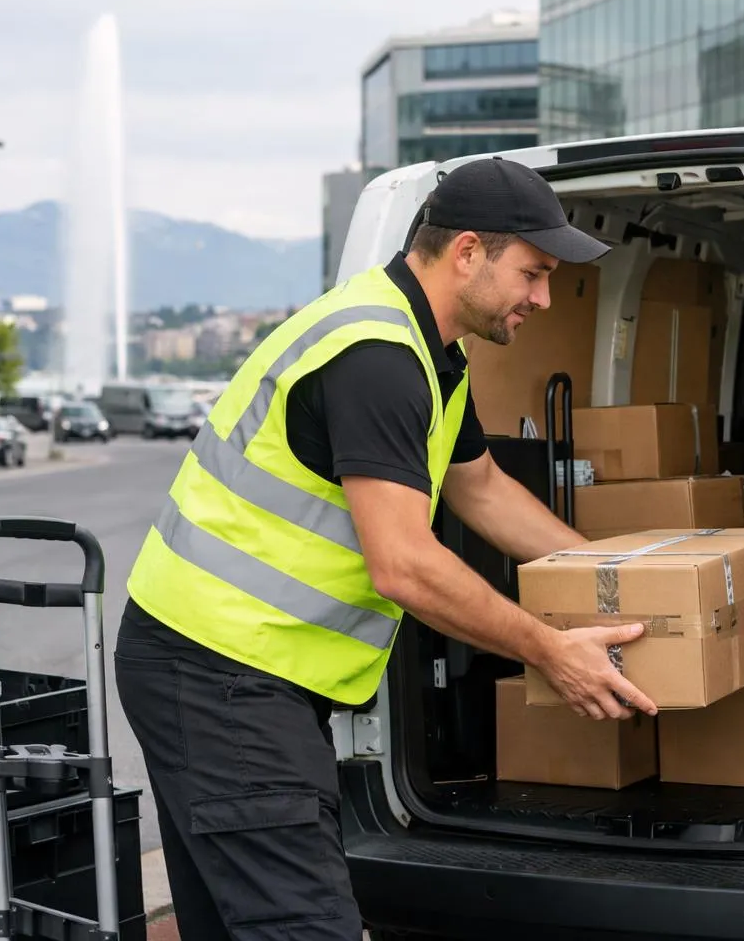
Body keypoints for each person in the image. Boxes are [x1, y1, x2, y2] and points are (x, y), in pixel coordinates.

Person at [114, 156, 660, 940]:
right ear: (467, 252)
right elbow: (403, 563)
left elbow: (482, 491)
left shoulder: (434, 352)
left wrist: (621, 578)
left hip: (234, 668)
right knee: (305, 925)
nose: (543, 297)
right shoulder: (376, 356)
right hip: (220, 673)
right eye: (532, 273)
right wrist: (549, 649)